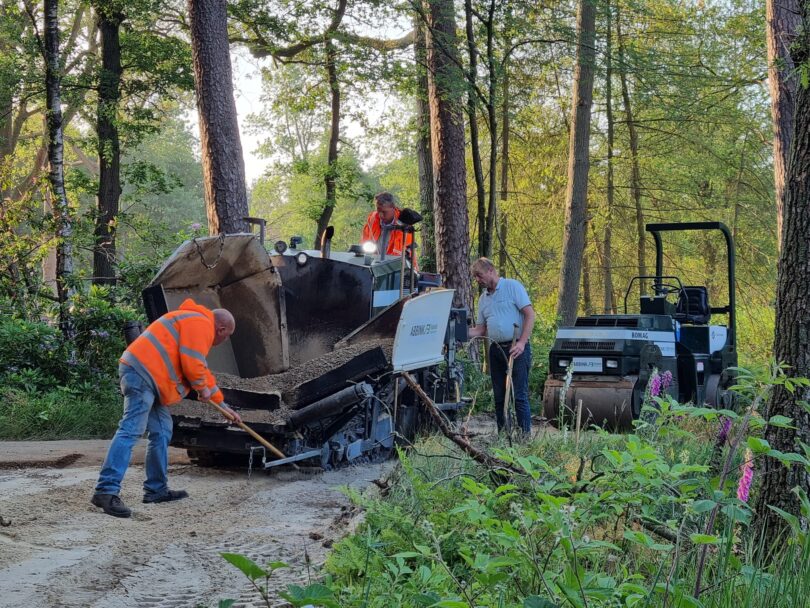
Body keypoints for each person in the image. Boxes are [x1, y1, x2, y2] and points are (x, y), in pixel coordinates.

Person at [90, 299, 242, 518]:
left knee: (162, 430)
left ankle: (156, 490)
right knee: (131, 430)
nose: (224, 339)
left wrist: (223, 405)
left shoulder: (193, 322)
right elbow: (193, 365)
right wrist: (202, 389)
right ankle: (106, 491)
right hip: (142, 375)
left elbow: (203, 372)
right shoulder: (202, 323)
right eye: (227, 335)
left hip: (149, 378)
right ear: (221, 329)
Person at [468, 258, 536, 435]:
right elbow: (481, 328)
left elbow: (530, 315)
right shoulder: (483, 299)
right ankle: (503, 435)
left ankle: (524, 436)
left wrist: (522, 342)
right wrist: (458, 333)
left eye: (479, 275)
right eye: (475, 277)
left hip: (516, 349)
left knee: (519, 396)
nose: (478, 280)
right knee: (499, 396)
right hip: (495, 350)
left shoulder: (512, 287)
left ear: (491, 270)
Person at [361, 191, 415, 261]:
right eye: (378, 211)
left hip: (396, 266)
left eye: (384, 212)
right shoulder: (372, 218)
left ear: (393, 207)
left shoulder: (404, 224)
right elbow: (364, 241)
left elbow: (408, 253)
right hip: (373, 263)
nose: (380, 215)